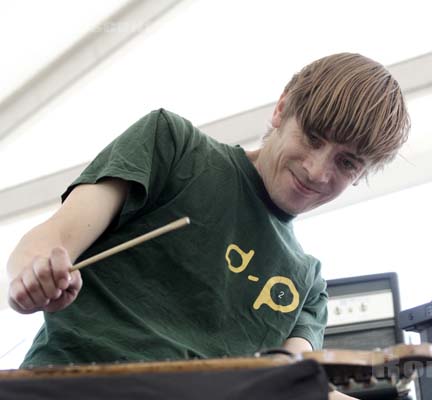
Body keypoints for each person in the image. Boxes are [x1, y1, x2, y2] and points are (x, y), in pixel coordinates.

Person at [6, 52, 410, 396]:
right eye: (314, 137)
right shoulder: (173, 148)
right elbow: (53, 239)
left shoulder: (308, 288)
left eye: (346, 163)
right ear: (282, 108)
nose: (318, 171)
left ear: (360, 175)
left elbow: (293, 387)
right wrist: (34, 273)